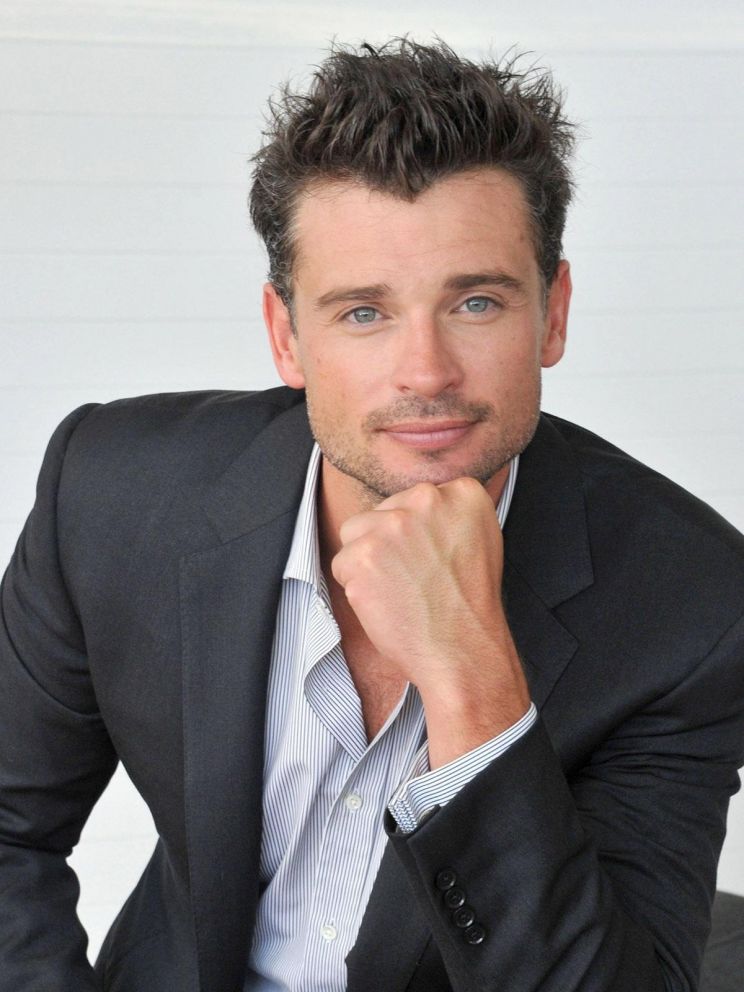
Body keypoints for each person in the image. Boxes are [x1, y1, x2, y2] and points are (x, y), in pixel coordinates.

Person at [1, 37, 743, 992]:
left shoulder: (694, 603)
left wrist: (472, 678)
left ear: (552, 314)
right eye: (363, 313)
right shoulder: (113, 491)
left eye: (476, 302)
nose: (425, 371)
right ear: (287, 336)